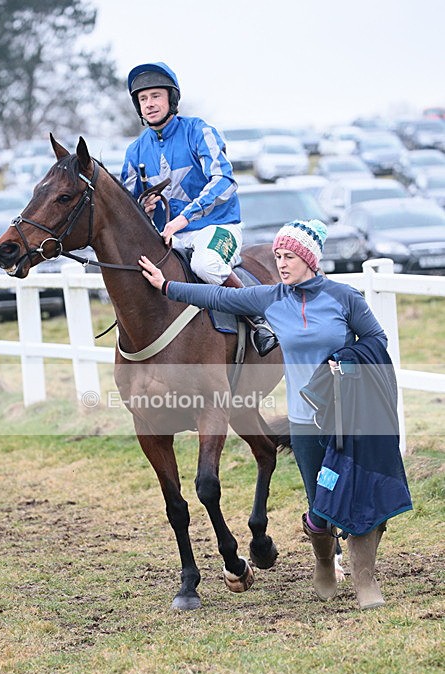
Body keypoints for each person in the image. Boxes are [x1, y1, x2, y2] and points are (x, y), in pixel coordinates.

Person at [138, 218, 412, 611]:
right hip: (305, 421)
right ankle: (322, 560)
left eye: (290, 256)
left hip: (350, 414)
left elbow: (376, 339)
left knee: (359, 496)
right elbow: (215, 298)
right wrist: (165, 286)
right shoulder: (270, 298)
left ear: (309, 259)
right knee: (320, 508)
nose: (282, 263)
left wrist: (345, 360)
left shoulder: (344, 297)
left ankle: (365, 581)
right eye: (279, 256)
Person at [121, 61, 275, 356]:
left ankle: (259, 320)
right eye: (143, 99)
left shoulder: (199, 131)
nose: (150, 104)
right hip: (169, 236)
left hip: (216, 227)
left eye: (155, 96)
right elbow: (128, 206)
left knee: (204, 264)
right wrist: (144, 205)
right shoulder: (135, 150)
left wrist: (184, 217)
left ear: (171, 99)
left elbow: (224, 181)